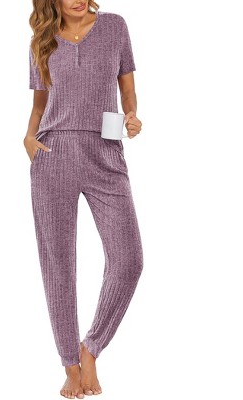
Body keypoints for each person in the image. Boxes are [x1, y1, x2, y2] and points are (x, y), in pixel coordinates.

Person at [24, 1, 144, 398]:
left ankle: (90, 348)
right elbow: (39, 105)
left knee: (128, 259)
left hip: (105, 153)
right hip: (53, 152)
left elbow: (127, 88)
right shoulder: (42, 40)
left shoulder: (114, 27)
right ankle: (69, 365)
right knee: (58, 264)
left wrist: (131, 115)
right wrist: (28, 137)